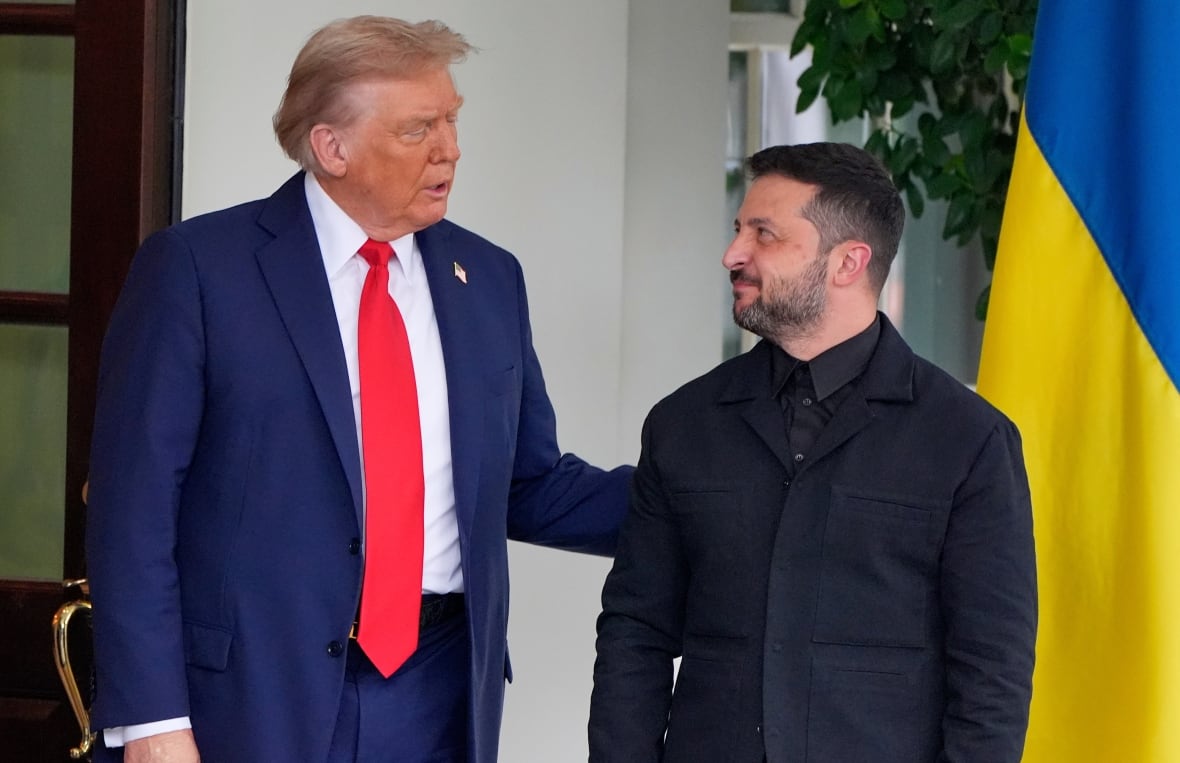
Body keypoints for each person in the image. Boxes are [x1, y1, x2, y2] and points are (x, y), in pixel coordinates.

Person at [85, 15, 631, 763]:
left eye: (451, 120)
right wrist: (151, 720)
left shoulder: (490, 279)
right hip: (251, 696)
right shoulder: (198, 270)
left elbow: (528, 482)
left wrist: (704, 501)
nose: (450, 148)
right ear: (331, 147)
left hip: (440, 690)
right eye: (418, 129)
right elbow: (132, 508)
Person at [588, 142, 1036, 762]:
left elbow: (992, 668)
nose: (733, 254)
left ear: (848, 262)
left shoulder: (969, 440)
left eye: (764, 234)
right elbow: (635, 633)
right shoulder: (681, 425)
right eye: (738, 229)